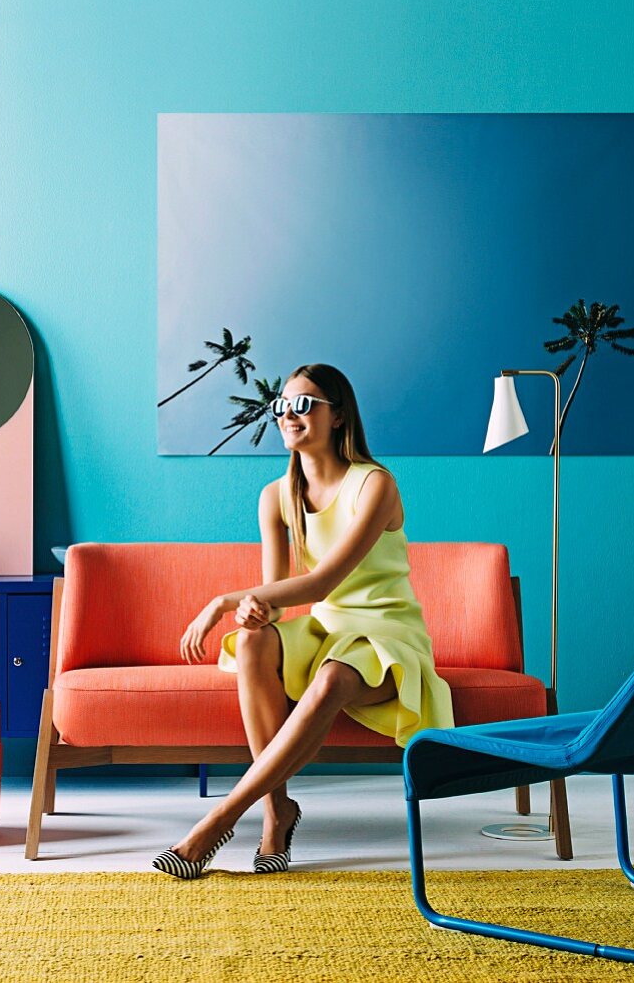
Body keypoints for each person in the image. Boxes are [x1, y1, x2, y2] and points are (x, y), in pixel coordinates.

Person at [152, 363, 454, 879]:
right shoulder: (275, 495)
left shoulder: (375, 485)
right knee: (250, 644)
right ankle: (277, 811)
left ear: (338, 416)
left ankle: (220, 818)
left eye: (305, 404)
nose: (290, 416)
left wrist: (224, 600)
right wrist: (253, 610)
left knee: (335, 674)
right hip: (325, 629)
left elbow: (322, 583)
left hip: (385, 632)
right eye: (282, 406)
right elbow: (281, 601)